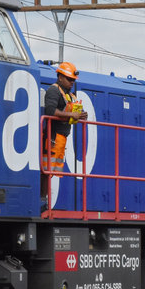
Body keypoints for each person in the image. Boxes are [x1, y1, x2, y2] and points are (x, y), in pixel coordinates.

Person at [41, 61, 88, 203]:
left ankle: (44, 199)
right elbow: (50, 110)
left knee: (52, 171)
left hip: (61, 138)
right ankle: (42, 200)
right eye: (69, 79)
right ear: (60, 77)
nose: (72, 82)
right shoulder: (54, 90)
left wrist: (81, 115)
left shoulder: (70, 95)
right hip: (52, 137)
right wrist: (71, 115)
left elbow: (72, 113)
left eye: (73, 80)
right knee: (46, 170)